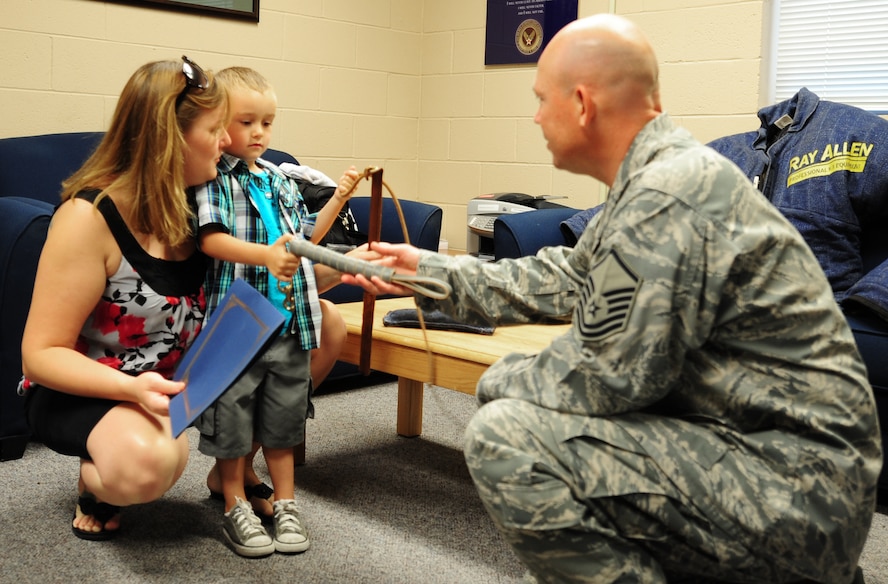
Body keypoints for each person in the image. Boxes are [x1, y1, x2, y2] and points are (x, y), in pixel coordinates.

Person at [343, 14, 881, 584]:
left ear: (581, 103)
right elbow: (565, 278)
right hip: (757, 452)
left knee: (510, 438)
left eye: (540, 99)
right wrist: (429, 272)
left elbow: (609, 378)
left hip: (800, 492)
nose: (535, 116)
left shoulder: (670, 193)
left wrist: (498, 382)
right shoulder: (656, 178)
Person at [20, 56, 230, 541]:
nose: (228, 142)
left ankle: (229, 471)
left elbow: (274, 275)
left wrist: (355, 265)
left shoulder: (206, 202)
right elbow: (40, 355)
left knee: (321, 325)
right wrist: (133, 391)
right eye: (216, 128)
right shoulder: (86, 218)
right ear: (170, 138)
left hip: (177, 382)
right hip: (90, 386)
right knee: (150, 462)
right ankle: (98, 480)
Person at [192, 66, 360, 557]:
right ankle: (234, 504)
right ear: (219, 125)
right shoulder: (213, 179)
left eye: (267, 122)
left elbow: (305, 239)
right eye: (247, 122)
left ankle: (285, 501)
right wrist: (265, 254)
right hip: (239, 327)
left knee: (284, 421)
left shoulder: (277, 180)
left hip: (291, 324)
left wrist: (341, 197)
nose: (260, 133)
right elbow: (211, 240)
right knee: (233, 418)